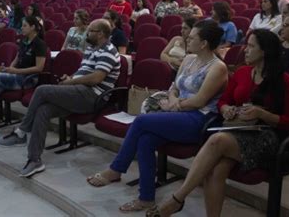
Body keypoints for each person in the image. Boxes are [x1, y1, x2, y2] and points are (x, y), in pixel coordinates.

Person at [150, 29, 289, 217]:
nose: (245, 49)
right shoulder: (243, 73)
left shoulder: (284, 81)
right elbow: (223, 101)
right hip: (238, 128)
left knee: (216, 140)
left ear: (265, 51)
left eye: (251, 46)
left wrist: (262, 113)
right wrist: (226, 109)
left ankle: (177, 199)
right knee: (217, 169)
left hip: (266, 136)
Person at [87, 20, 228, 213]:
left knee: (142, 121)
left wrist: (174, 106)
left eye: (192, 37)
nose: (187, 38)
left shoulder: (218, 67)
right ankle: (146, 198)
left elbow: (200, 101)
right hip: (178, 113)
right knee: (145, 140)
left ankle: (116, 169)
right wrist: (172, 100)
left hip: (198, 119)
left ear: (204, 43)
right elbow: (174, 87)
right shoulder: (188, 60)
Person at [0, 19, 121, 178]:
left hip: (93, 97)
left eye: (90, 31)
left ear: (101, 34)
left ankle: (21, 131)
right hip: (78, 91)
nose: (86, 33)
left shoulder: (109, 51)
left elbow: (96, 78)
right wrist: (71, 77)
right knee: (43, 110)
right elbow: (83, 71)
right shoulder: (91, 48)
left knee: (41, 90)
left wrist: (71, 81)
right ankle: (34, 160)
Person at [0, 16, 47, 140]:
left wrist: (15, 71)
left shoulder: (40, 44)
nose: (21, 28)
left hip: (28, 79)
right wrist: (9, 69)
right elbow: (16, 59)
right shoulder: (24, 41)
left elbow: (39, 68)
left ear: (33, 27)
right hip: (16, 75)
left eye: (24, 26)